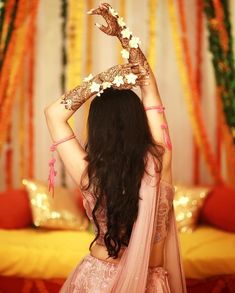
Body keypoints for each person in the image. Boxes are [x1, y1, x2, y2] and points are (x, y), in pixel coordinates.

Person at [45, 3, 187, 293]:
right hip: (151, 284)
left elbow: (53, 114)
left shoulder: (89, 174)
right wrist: (122, 32)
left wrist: (100, 81)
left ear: (97, 130)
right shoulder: (161, 158)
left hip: (96, 280)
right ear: (138, 121)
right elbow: (147, 83)